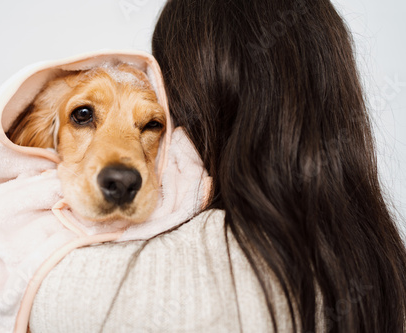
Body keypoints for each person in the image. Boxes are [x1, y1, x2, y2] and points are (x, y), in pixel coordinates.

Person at [29, 0, 406, 332]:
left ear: (190, 105)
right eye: (83, 116)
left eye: (153, 123)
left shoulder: (83, 288)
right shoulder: (382, 259)